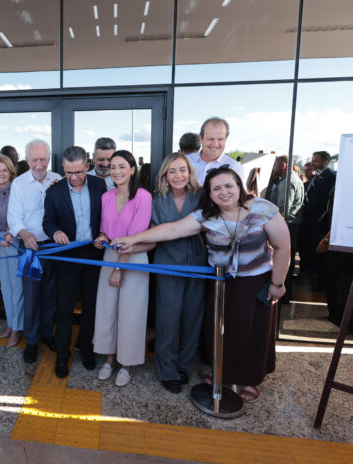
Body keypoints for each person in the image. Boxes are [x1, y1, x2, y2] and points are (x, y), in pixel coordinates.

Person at [114, 165, 290, 402]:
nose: (223, 192)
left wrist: (277, 283)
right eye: (216, 188)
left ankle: (250, 378)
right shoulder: (207, 214)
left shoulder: (262, 208)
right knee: (221, 331)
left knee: (252, 331)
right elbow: (172, 230)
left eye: (229, 185)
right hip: (220, 282)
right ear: (209, 193)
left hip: (255, 283)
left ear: (239, 186)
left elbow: (283, 247)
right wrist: (131, 239)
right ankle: (223, 373)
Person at [43, 146, 107, 378]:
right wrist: (55, 232)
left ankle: (86, 349)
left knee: (91, 305)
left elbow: (108, 219)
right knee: (64, 308)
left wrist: (105, 235)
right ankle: (62, 355)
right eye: (68, 172)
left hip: (93, 255)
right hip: (67, 257)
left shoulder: (101, 186)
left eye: (78, 172)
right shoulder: (54, 191)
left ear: (87, 166)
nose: (73, 178)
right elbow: (47, 222)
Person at [92, 150, 153, 387]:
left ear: (132, 169)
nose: (116, 171)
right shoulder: (106, 196)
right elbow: (106, 230)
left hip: (134, 258)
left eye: (121, 166)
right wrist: (101, 238)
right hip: (110, 256)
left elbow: (134, 238)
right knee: (107, 309)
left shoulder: (143, 197)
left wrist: (119, 268)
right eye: (113, 167)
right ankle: (109, 357)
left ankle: (126, 363)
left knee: (131, 312)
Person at [150, 152, 207, 394]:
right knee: (168, 318)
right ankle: (167, 369)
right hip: (167, 262)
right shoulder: (156, 199)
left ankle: (184, 365)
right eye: (172, 171)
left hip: (197, 262)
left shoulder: (202, 195)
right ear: (165, 174)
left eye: (182, 169)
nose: (177, 175)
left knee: (192, 317)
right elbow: (153, 231)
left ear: (189, 171)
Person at [7, 139, 62, 363]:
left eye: (43, 159)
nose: (39, 164)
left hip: (53, 247)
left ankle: (47, 334)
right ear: (27, 160)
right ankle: (31, 340)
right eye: (34, 159)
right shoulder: (19, 184)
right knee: (31, 297)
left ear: (48, 159)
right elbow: (14, 216)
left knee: (51, 294)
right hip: (29, 247)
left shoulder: (58, 179)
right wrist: (25, 234)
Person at [0, 154, 23, 348]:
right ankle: (11, 325)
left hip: (13, 239)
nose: (1, 173)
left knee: (17, 288)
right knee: (6, 287)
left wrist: (9, 234)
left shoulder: (15, 190)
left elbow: (19, 215)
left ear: (11, 172)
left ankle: (18, 328)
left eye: (4, 169)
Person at [264, 155, 304, 302]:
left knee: (286, 257)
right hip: (288, 225)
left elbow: (282, 209)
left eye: (274, 165)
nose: (273, 169)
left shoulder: (288, 182)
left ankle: (284, 292)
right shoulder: (284, 180)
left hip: (288, 225)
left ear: (282, 165)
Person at [299, 151, 335, 283]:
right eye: (312, 160)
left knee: (317, 253)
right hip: (308, 221)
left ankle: (317, 279)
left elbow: (324, 201)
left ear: (326, 162)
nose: (313, 163)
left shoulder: (330, 177)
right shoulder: (316, 177)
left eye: (316, 161)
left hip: (318, 222)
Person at [186, 117, 244, 185]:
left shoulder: (234, 167)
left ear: (225, 139)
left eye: (220, 139)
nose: (215, 144)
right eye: (211, 139)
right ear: (201, 139)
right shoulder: (186, 162)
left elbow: (241, 194)